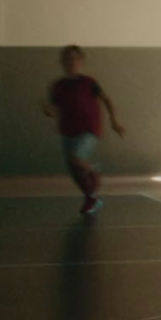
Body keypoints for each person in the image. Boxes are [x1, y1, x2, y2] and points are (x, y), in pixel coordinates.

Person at [41, 45, 125, 215]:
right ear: (62, 62)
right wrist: (47, 110)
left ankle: (93, 170)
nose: (71, 62)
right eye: (68, 59)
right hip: (67, 131)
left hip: (88, 129)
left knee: (76, 159)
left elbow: (107, 100)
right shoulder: (58, 85)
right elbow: (52, 110)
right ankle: (91, 198)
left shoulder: (89, 83)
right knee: (75, 171)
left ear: (81, 62)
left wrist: (114, 121)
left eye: (75, 59)